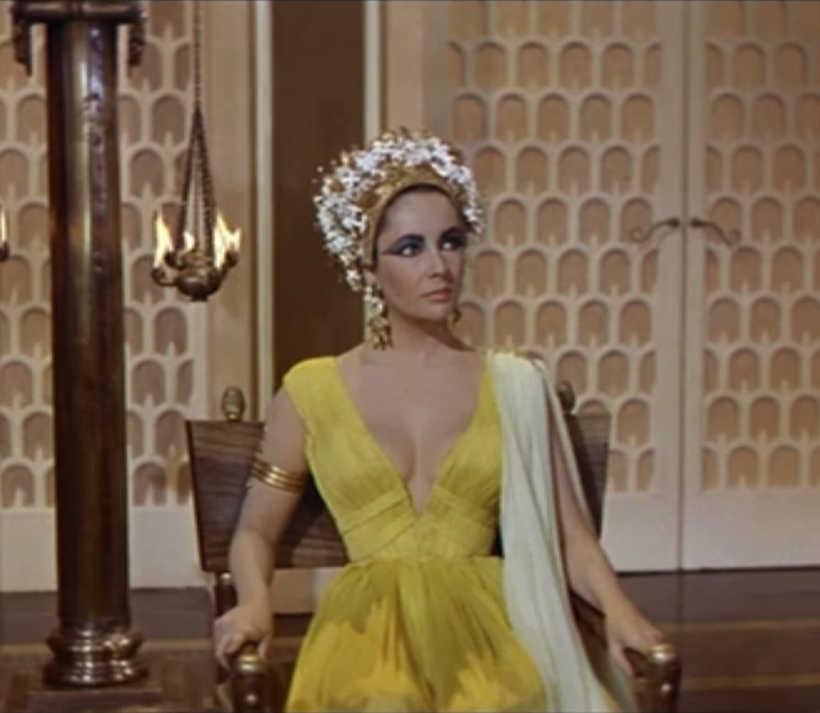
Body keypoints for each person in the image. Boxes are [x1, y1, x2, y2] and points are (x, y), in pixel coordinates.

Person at [211, 129, 664, 712]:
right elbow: (255, 531)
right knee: (380, 701)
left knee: (508, 700)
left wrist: (621, 611)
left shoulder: (516, 384)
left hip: (492, 622)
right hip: (367, 630)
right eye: (410, 248)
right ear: (367, 267)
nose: (439, 266)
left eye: (451, 242)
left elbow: (571, 535)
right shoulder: (311, 390)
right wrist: (253, 602)